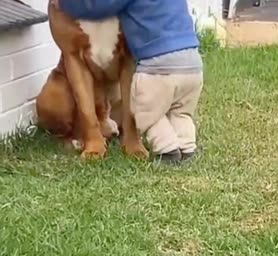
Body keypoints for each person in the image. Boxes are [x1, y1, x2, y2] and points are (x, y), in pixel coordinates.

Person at [54, 0, 204, 164]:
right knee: (181, 112)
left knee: (149, 112)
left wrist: (66, 4)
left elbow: (101, 6)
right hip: (191, 61)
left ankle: (165, 148)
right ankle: (187, 146)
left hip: (155, 68)